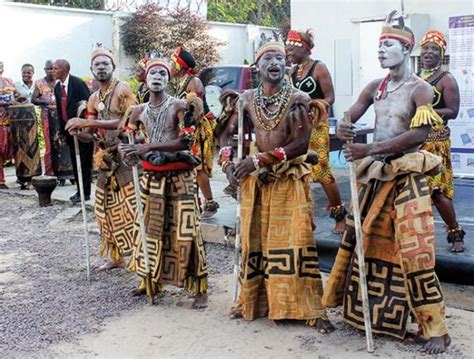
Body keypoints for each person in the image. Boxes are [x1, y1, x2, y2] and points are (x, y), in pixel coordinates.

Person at [322, 12, 450, 354]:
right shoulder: (374, 87)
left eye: (387, 45)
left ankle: (436, 329)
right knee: (359, 241)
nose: (381, 51)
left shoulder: (420, 89)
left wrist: (371, 148)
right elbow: (349, 116)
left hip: (407, 177)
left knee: (415, 253)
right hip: (377, 177)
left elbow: (421, 133)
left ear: (405, 49)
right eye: (378, 45)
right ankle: (364, 314)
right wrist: (344, 129)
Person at [218, 41, 333, 332]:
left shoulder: (298, 98)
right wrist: (230, 164)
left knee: (297, 242)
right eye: (268, 58)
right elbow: (226, 137)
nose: (275, 62)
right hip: (256, 182)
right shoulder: (245, 99)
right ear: (257, 66)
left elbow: (301, 144)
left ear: (287, 66)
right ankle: (254, 301)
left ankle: (310, 308)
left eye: (280, 58)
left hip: (287, 178)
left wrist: (260, 160)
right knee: (253, 242)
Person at [119, 58, 208, 308]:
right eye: (152, 73)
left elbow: (186, 141)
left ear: (169, 79)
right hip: (151, 176)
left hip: (179, 176)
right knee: (150, 229)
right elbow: (127, 137)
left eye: (162, 73)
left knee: (187, 231)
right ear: (146, 79)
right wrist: (128, 151)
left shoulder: (180, 106)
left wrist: (148, 146)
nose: (157, 76)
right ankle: (150, 280)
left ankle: (200, 286)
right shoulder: (137, 111)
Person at [66, 48, 137, 271]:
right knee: (105, 209)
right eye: (97, 65)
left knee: (132, 208)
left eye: (106, 63)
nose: (102, 67)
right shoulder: (94, 98)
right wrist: (78, 131)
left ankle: (139, 256)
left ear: (113, 67)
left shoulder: (122, 89)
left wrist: (86, 123)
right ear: (91, 70)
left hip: (125, 156)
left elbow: (127, 121)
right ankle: (116, 256)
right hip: (105, 158)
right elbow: (92, 134)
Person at [286, 29, 347, 234]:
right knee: (297, 170)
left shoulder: (319, 68)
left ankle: (340, 216)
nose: (289, 51)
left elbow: (330, 97)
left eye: (292, 47)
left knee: (321, 170)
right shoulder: (292, 72)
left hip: (317, 126)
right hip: (298, 127)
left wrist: (314, 105)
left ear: (304, 48)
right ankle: (306, 219)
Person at [418, 30, 464, 252]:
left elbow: (453, 111)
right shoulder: (415, 78)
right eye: (425, 48)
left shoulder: (446, 80)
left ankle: (455, 232)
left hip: (436, 143)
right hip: (414, 141)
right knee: (412, 189)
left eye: (434, 49)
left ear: (441, 54)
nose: (428, 52)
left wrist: (428, 112)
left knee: (438, 192)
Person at [170, 47, 219, 219]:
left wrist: (187, 127)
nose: (170, 66)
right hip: (188, 128)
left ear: (179, 66)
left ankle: (210, 203)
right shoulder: (182, 82)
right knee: (189, 166)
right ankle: (194, 203)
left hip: (198, 129)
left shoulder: (194, 82)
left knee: (198, 167)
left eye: (173, 63)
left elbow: (195, 110)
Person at [53, 59, 92, 203]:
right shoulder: (58, 87)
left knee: (84, 161)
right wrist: (62, 131)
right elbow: (59, 110)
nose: (53, 71)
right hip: (69, 131)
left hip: (82, 130)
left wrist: (85, 126)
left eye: (56, 68)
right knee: (75, 162)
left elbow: (88, 105)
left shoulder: (77, 83)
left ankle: (85, 192)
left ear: (65, 69)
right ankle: (79, 191)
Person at [32, 60, 56, 176]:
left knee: (63, 144)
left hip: (61, 117)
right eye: (49, 69)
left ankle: (66, 171)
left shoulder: (61, 81)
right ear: (45, 70)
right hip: (46, 117)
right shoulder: (40, 83)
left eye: (53, 68)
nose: (51, 71)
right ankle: (49, 172)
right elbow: (34, 99)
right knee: (49, 145)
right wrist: (45, 101)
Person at [0, 70, 17, 189]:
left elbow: (15, 95)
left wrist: (16, 99)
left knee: (12, 150)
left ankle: (23, 177)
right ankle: (1, 181)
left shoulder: (9, 81)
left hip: (11, 122)